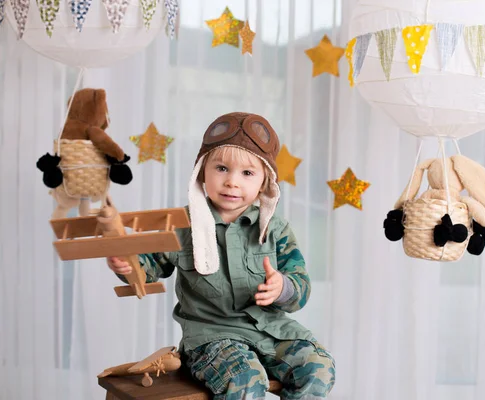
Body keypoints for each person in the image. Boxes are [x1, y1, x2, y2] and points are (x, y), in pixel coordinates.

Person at [107, 112, 335, 400]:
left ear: (265, 182)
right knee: (245, 380)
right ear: (203, 171)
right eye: (222, 168)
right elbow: (149, 268)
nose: (232, 182)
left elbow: (300, 288)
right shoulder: (182, 225)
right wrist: (128, 265)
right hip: (211, 338)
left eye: (247, 173)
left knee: (319, 368)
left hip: (270, 331)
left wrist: (282, 287)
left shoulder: (276, 229)